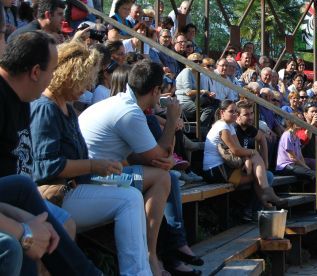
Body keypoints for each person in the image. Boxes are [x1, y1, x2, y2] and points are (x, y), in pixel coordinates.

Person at [29, 40, 151, 276]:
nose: (87, 87)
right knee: (129, 198)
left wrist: (104, 167)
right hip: (59, 194)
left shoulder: (65, 106)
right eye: (84, 79)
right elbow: (44, 167)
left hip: (80, 184)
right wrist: (95, 164)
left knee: (134, 186)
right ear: (68, 75)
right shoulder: (46, 108)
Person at [79, 60, 200, 275]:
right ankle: (151, 255)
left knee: (167, 176)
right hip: (94, 180)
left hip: (97, 174)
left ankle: (168, 249)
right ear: (155, 91)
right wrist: (172, 119)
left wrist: (164, 159)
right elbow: (162, 156)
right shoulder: (130, 113)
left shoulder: (120, 103)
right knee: (164, 178)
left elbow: (150, 158)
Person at [0, 31, 102, 275]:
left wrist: (26, 222)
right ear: (35, 72)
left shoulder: (22, 99)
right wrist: (21, 229)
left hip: (13, 198)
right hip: (16, 197)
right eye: (52, 70)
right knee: (22, 236)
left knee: (38, 215)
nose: (53, 78)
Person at [202, 100, 286, 208]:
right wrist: (252, 153)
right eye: (231, 111)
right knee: (262, 174)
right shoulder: (222, 127)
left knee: (260, 171)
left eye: (236, 112)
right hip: (215, 170)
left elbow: (239, 148)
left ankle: (263, 202)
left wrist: (248, 158)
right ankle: (263, 201)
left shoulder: (229, 126)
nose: (234, 114)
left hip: (225, 168)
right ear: (222, 113)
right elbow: (235, 151)